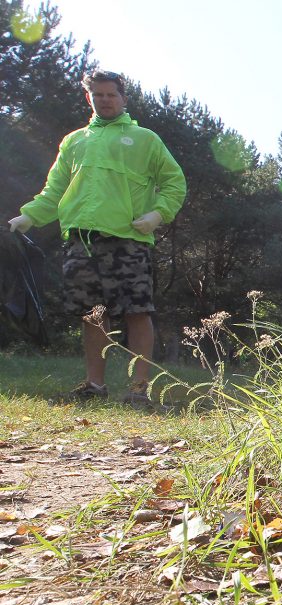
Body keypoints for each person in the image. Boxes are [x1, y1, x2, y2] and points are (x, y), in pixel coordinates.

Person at [7, 70, 186, 406]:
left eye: (111, 95)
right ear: (89, 97)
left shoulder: (145, 139)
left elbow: (175, 183)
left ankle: (139, 389)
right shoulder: (74, 141)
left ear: (123, 98)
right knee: (92, 313)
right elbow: (56, 188)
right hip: (81, 239)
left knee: (137, 311)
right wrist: (30, 216)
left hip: (128, 239)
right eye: (98, 95)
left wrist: (157, 214)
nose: (105, 100)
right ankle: (95, 385)